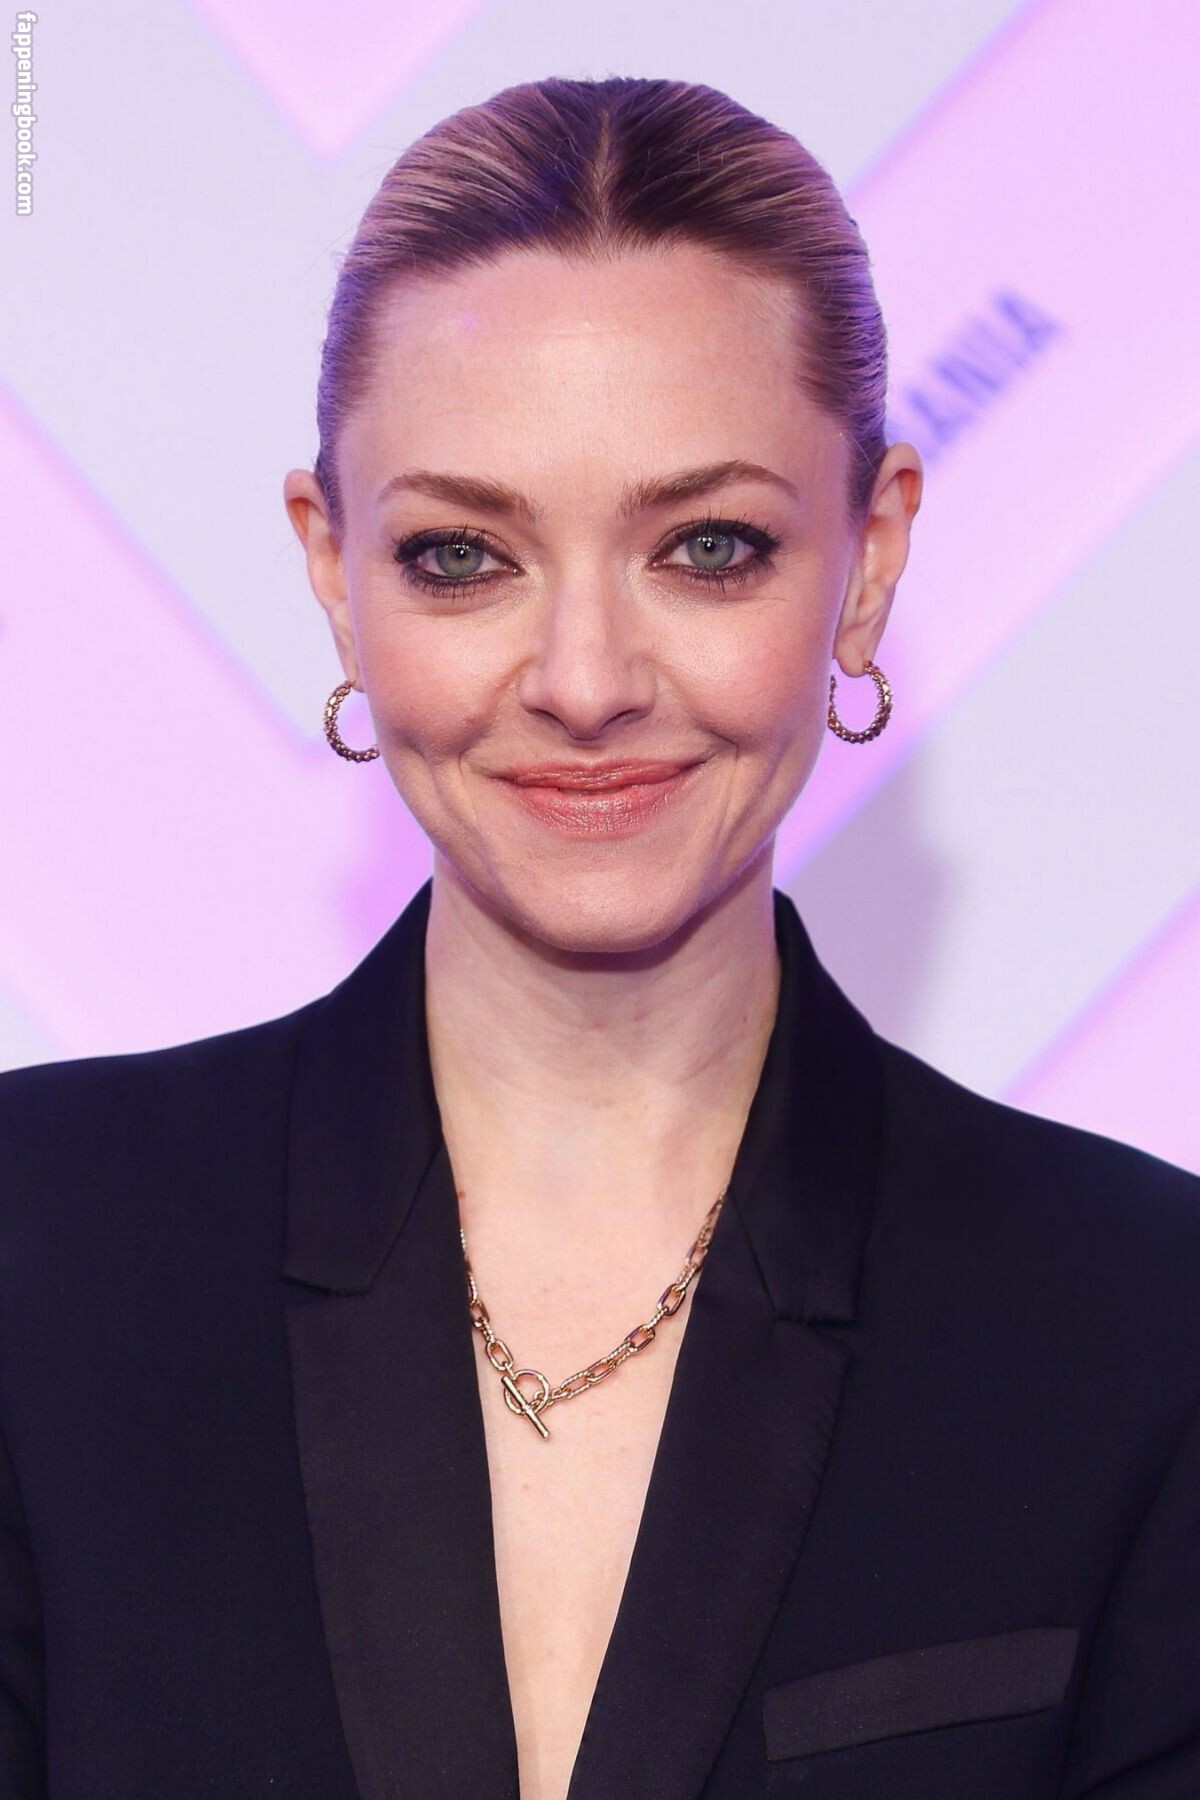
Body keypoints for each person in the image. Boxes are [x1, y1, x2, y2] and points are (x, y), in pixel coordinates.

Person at [1, 73, 1197, 1800]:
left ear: (869, 560)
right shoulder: (40, 1257)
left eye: (707, 547)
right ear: (332, 567)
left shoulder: (1140, 1327)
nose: (583, 681)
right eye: (462, 556)